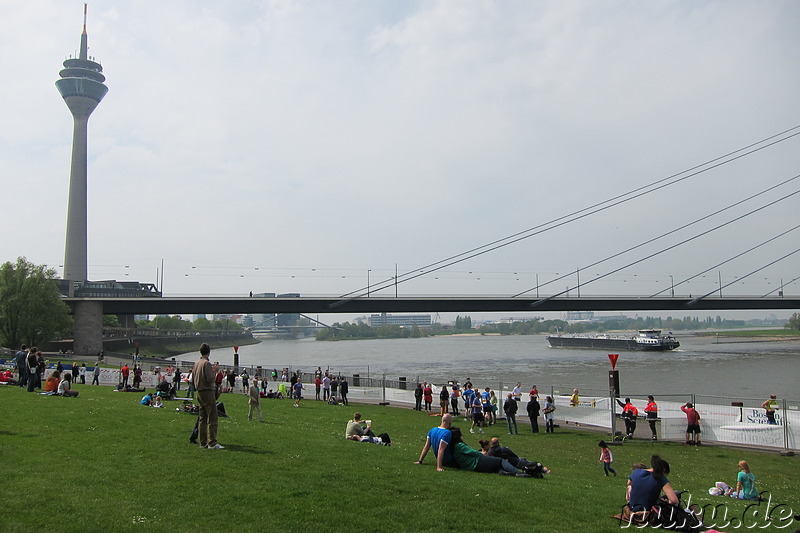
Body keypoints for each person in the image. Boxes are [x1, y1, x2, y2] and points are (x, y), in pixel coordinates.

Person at [449, 428, 525, 475]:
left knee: (495, 464)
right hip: (476, 463)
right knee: (502, 461)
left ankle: (502, 472)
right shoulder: (459, 446)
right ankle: (518, 473)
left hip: (470, 465)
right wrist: (482, 454)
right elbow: (472, 452)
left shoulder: (453, 447)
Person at [192, 343, 224, 449]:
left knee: (202, 418)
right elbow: (210, 378)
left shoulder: (196, 363)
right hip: (207, 392)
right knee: (212, 417)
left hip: (199, 392)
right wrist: (214, 371)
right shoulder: (206, 364)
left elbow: (193, 379)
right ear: (209, 352)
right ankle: (212, 442)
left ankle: (203, 442)